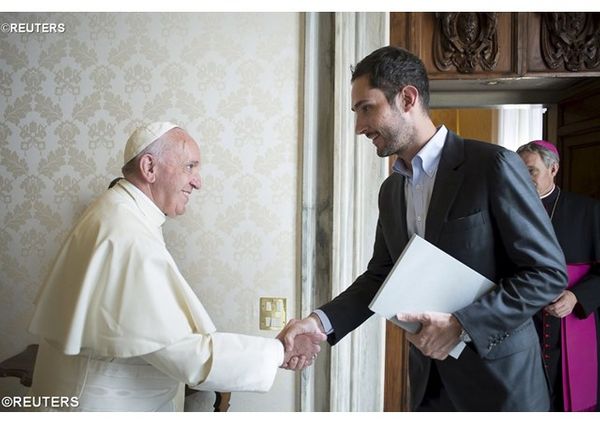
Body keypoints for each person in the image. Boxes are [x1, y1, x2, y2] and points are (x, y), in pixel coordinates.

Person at [278, 46, 568, 411]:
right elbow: (382, 276)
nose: (358, 127)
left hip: (503, 387)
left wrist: (462, 325)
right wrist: (319, 322)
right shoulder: (391, 190)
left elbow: (547, 274)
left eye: (366, 108)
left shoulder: (492, 165)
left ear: (407, 98)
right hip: (429, 387)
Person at [28, 122, 324, 411]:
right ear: (149, 168)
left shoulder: (119, 212)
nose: (198, 181)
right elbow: (187, 354)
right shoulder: (127, 234)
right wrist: (278, 351)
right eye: (190, 167)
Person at [517, 140, 600, 412]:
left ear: (553, 169)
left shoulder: (588, 211)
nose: (523, 178)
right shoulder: (507, 208)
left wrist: (577, 296)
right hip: (521, 322)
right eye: (518, 170)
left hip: (570, 323)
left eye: (531, 171)